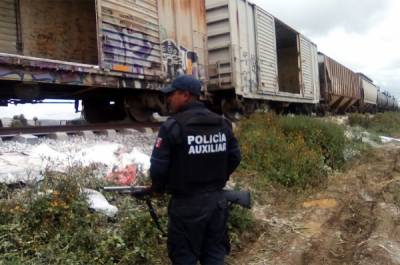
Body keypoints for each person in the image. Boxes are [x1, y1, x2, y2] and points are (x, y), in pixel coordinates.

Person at [149, 75, 242, 265]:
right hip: (217, 204)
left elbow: (158, 168)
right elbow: (235, 157)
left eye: (171, 94)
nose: (168, 99)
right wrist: (218, 178)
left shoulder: (172, 126)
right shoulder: (222, 123)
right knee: (215, 256)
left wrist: (158, 189)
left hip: (186, 207)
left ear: (185, 95)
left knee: (184, 258)